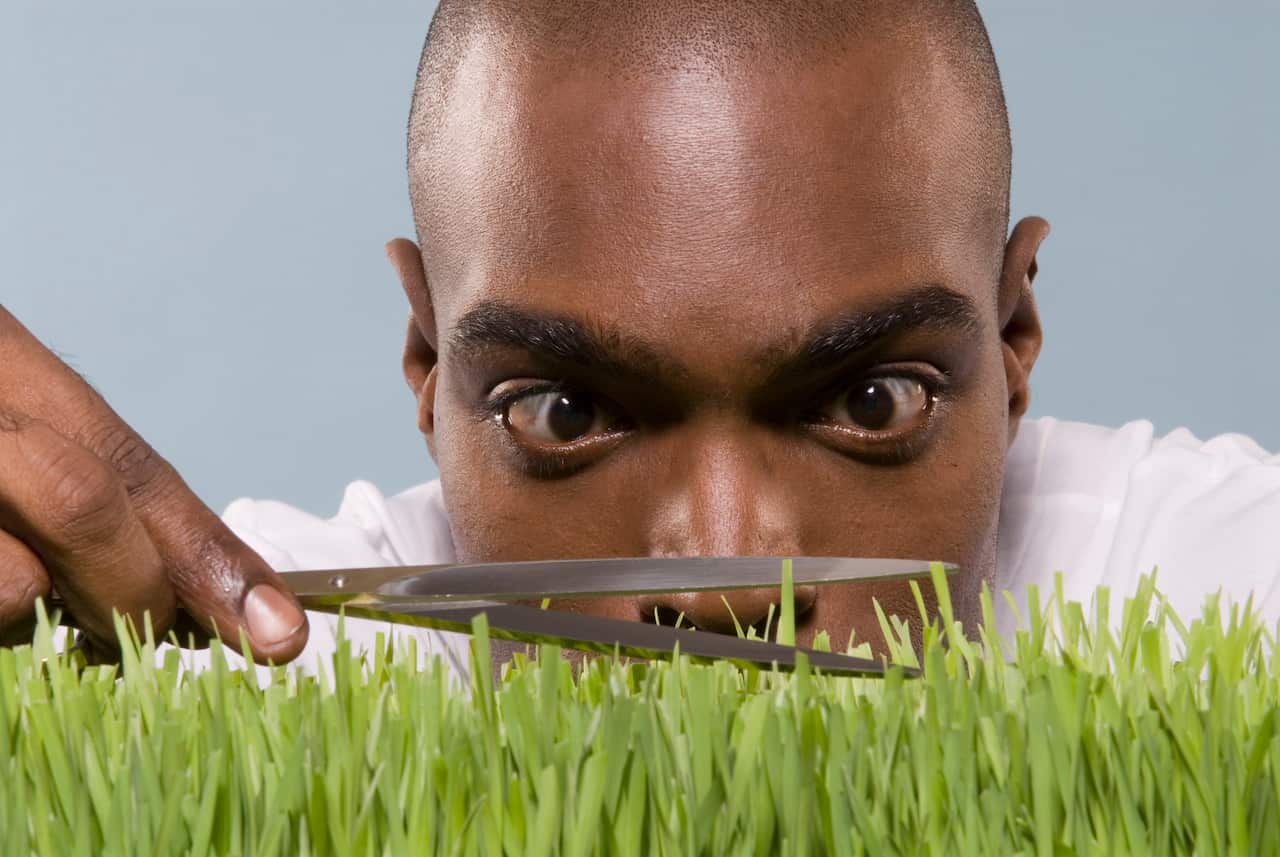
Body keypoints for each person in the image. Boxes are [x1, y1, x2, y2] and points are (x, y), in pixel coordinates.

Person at [1, 0, 1276, 678]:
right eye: (563, 414)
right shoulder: (263, 675)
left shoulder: (1223, 581)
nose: (723, 584)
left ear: (1010, 338)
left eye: (875, 401)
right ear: (428, 368)